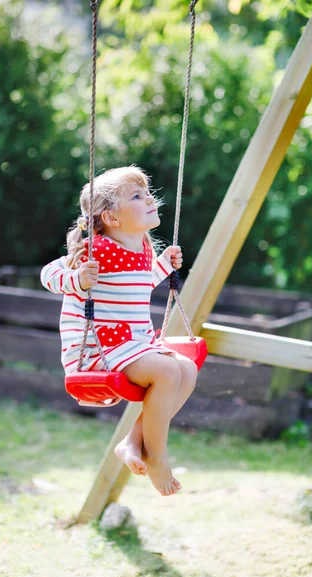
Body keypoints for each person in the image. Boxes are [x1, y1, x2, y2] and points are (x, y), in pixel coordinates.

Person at [40, 166, 198, 497]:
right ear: (111, 218)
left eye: (147, 192)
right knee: (169, 371)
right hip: (99, 350)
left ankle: (133, 442)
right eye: (137, 196)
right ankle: (156, 457)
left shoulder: (143, 249)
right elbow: (48, 274)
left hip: (132, 342)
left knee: (186, 369)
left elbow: (136, 287)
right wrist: (78, 279)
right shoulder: (99, 249)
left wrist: (163, 267)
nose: (150, 199)